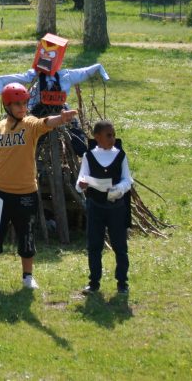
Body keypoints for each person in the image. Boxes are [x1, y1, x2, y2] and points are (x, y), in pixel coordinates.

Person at [0, 82, 77, 289]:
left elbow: (45, 122)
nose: (22, 107)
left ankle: (28, 277)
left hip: (25, 194)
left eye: (24, 103)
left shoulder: (30, 124)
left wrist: (61, 119)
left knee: (26, 236)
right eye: (17, 104)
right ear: (7, 105)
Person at [76, 120, 133, 295]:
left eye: (114, 135)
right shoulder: (89, 156)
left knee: (120, 246)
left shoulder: (120, 155)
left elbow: (128, 180)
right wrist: (83, 183)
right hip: (95, 206)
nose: (112, 138)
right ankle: (94, 282)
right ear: (97, 137)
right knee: (94, 245)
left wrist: (118, 189)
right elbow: (80, 180)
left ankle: (122, 282)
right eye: (109, 135)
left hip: (116, 207)